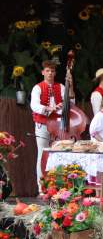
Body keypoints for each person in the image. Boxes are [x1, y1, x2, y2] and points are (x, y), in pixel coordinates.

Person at [30, 60, 75, 192]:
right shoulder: (37, 87)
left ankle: (58, 185)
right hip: (42, 124)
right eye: (47, 71)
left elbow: (71, 102)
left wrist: (70, 86)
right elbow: (35, 106)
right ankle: (41, 187)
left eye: (52, 71)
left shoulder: (61, 86)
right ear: (43, 72)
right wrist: (51, 108)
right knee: (42, 153)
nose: (50, 73)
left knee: (59, 153)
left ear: (55, 73)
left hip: (58, 125)